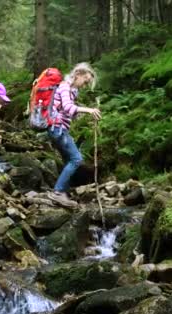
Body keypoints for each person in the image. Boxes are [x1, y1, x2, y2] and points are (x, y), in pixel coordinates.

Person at [47, 62, 101, 207]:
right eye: (85, 81)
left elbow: (68, 111)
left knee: (67, 159)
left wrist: (83, 115)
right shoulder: (65, 86)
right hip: (57, 128)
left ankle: (63, 192)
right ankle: (57, 192)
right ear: (77, 75)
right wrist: (89, 110)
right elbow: (68, 107)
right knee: (76, 159)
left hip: (58, 128)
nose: (85, 85)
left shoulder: (72, 90)